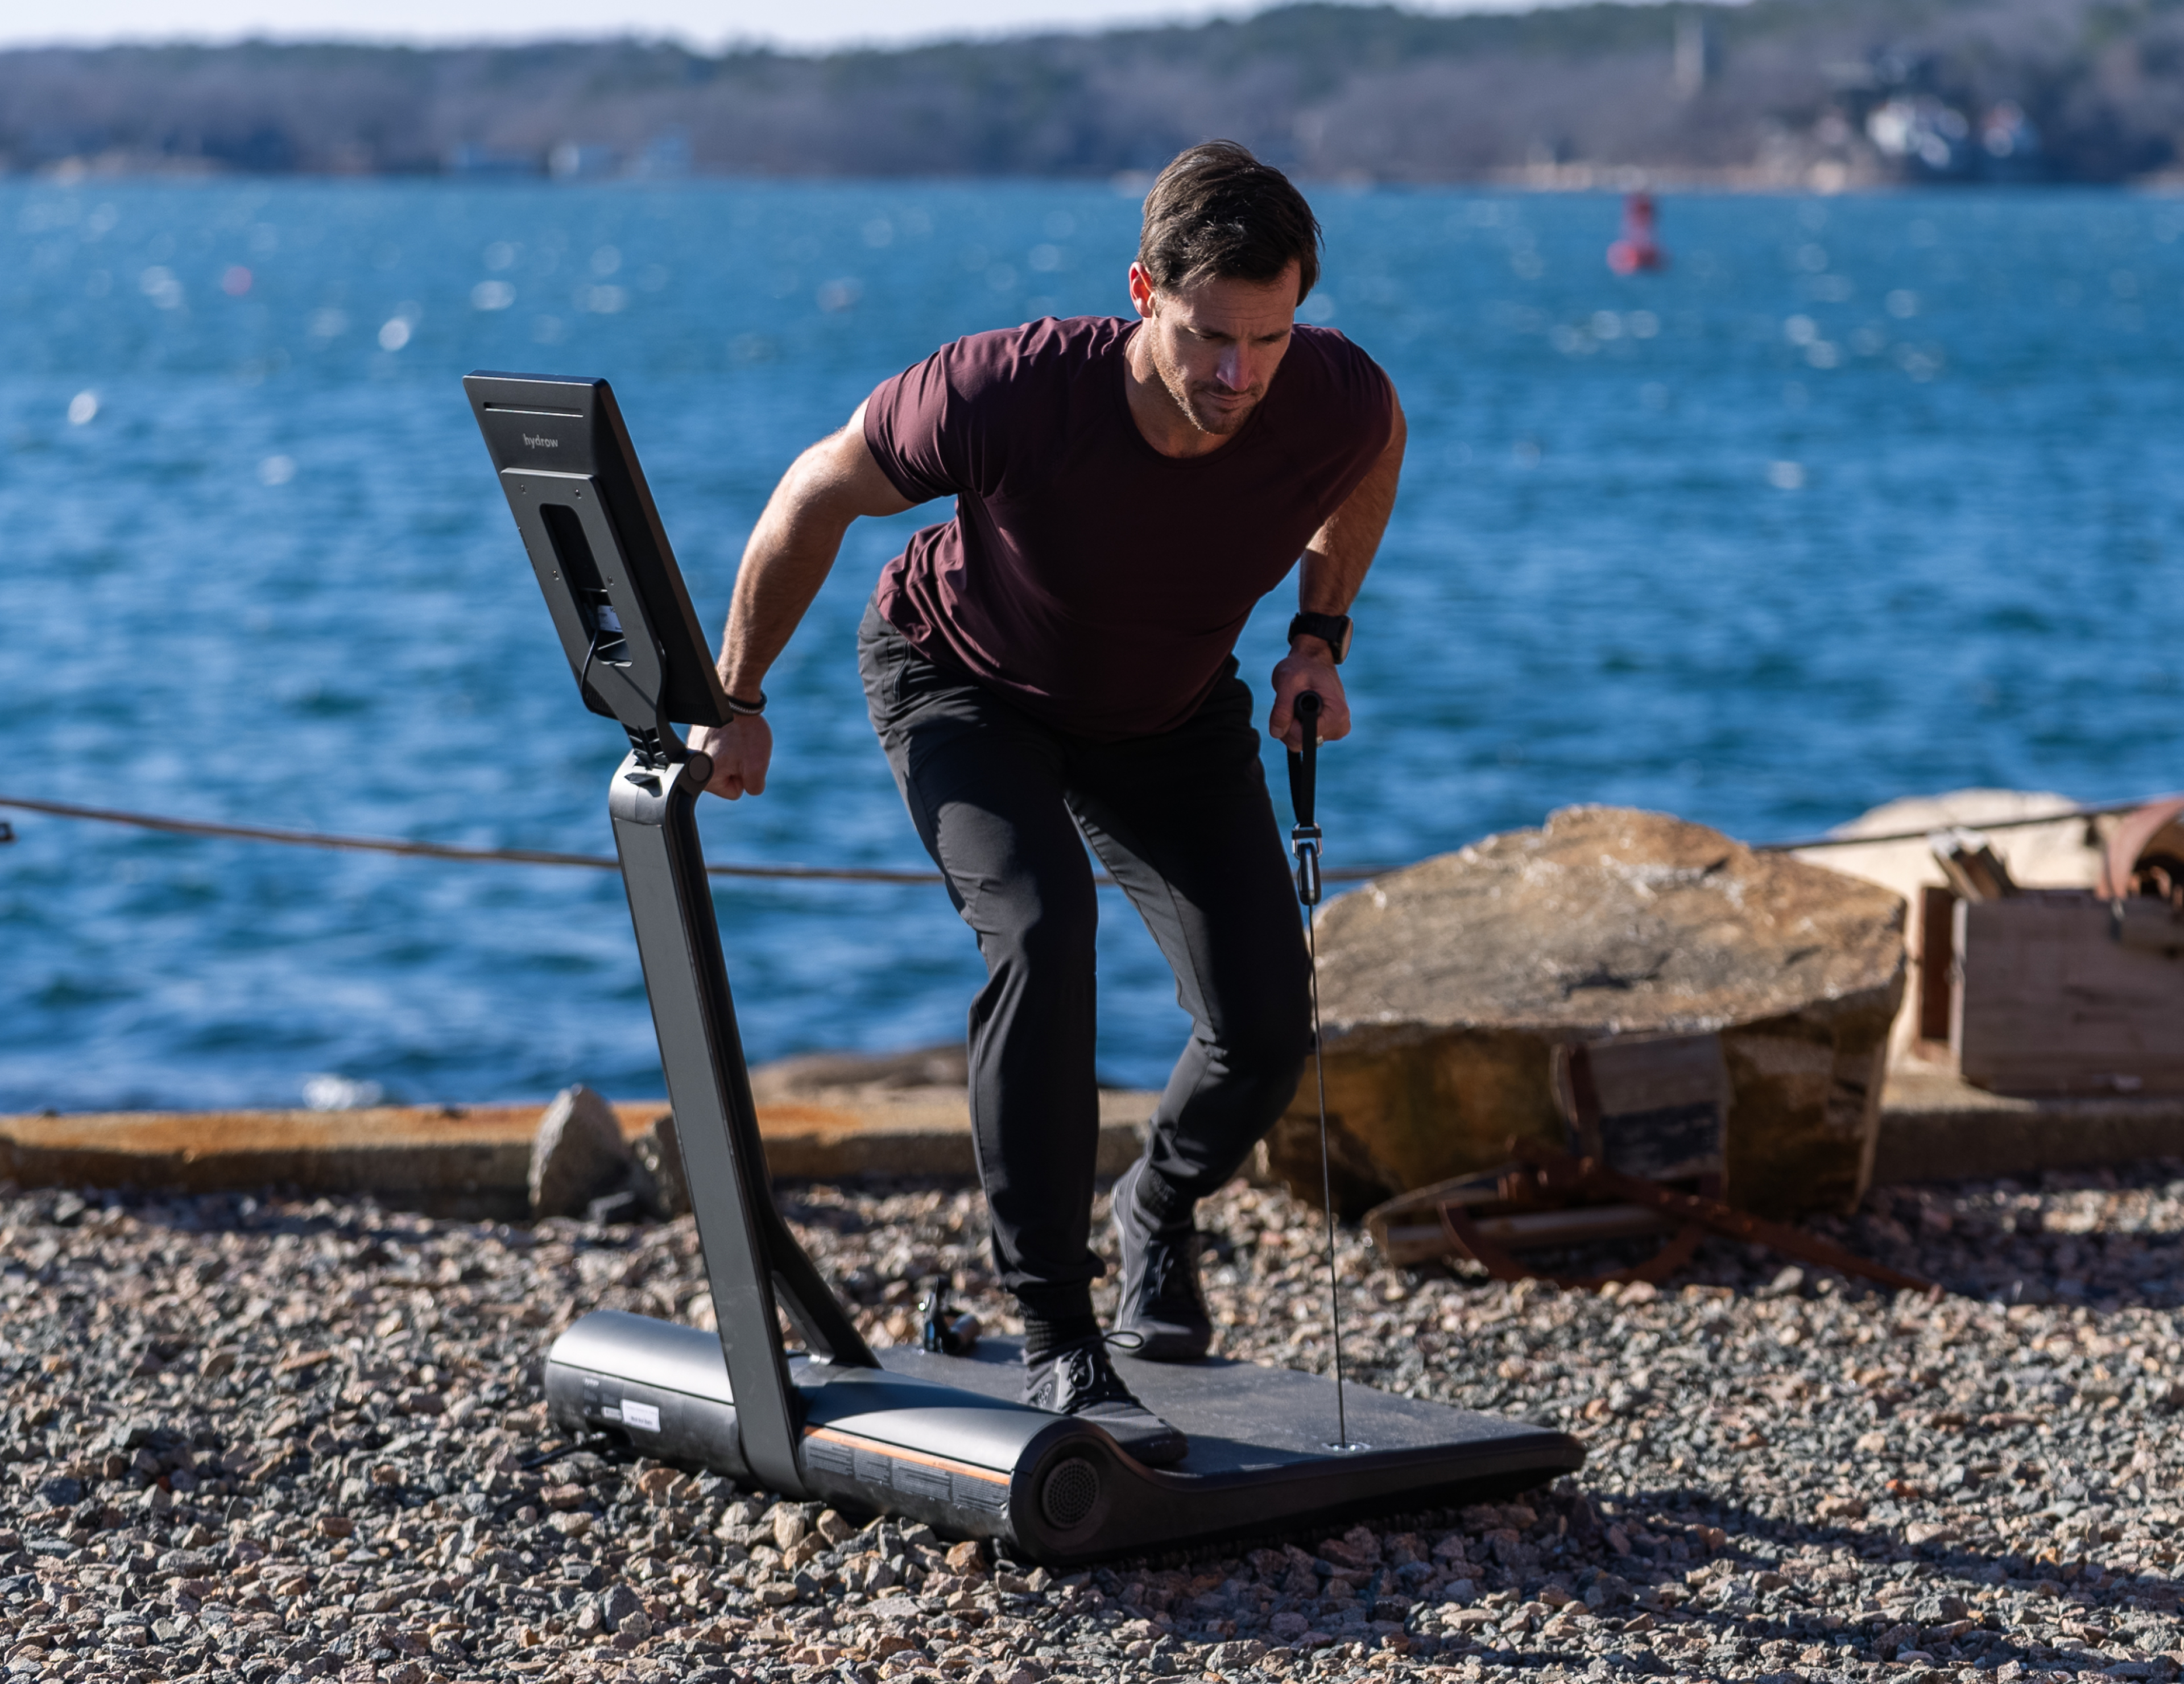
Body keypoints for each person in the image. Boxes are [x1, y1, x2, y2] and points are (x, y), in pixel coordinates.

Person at [690, 140, 1405, 1465]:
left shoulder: (1332, 395)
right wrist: (736, 695)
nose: (1239, 375)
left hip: (1166, 708)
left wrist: (1321, 634)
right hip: (965, 681)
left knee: (1265, 1025)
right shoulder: (1008, 389)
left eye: (1269, 338)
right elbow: (818, 489)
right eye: (1209, 337)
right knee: (1040, 928)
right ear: (1144, 291)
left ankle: (1158, 1204)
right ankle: (1059, 1334)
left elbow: (1375, 451)